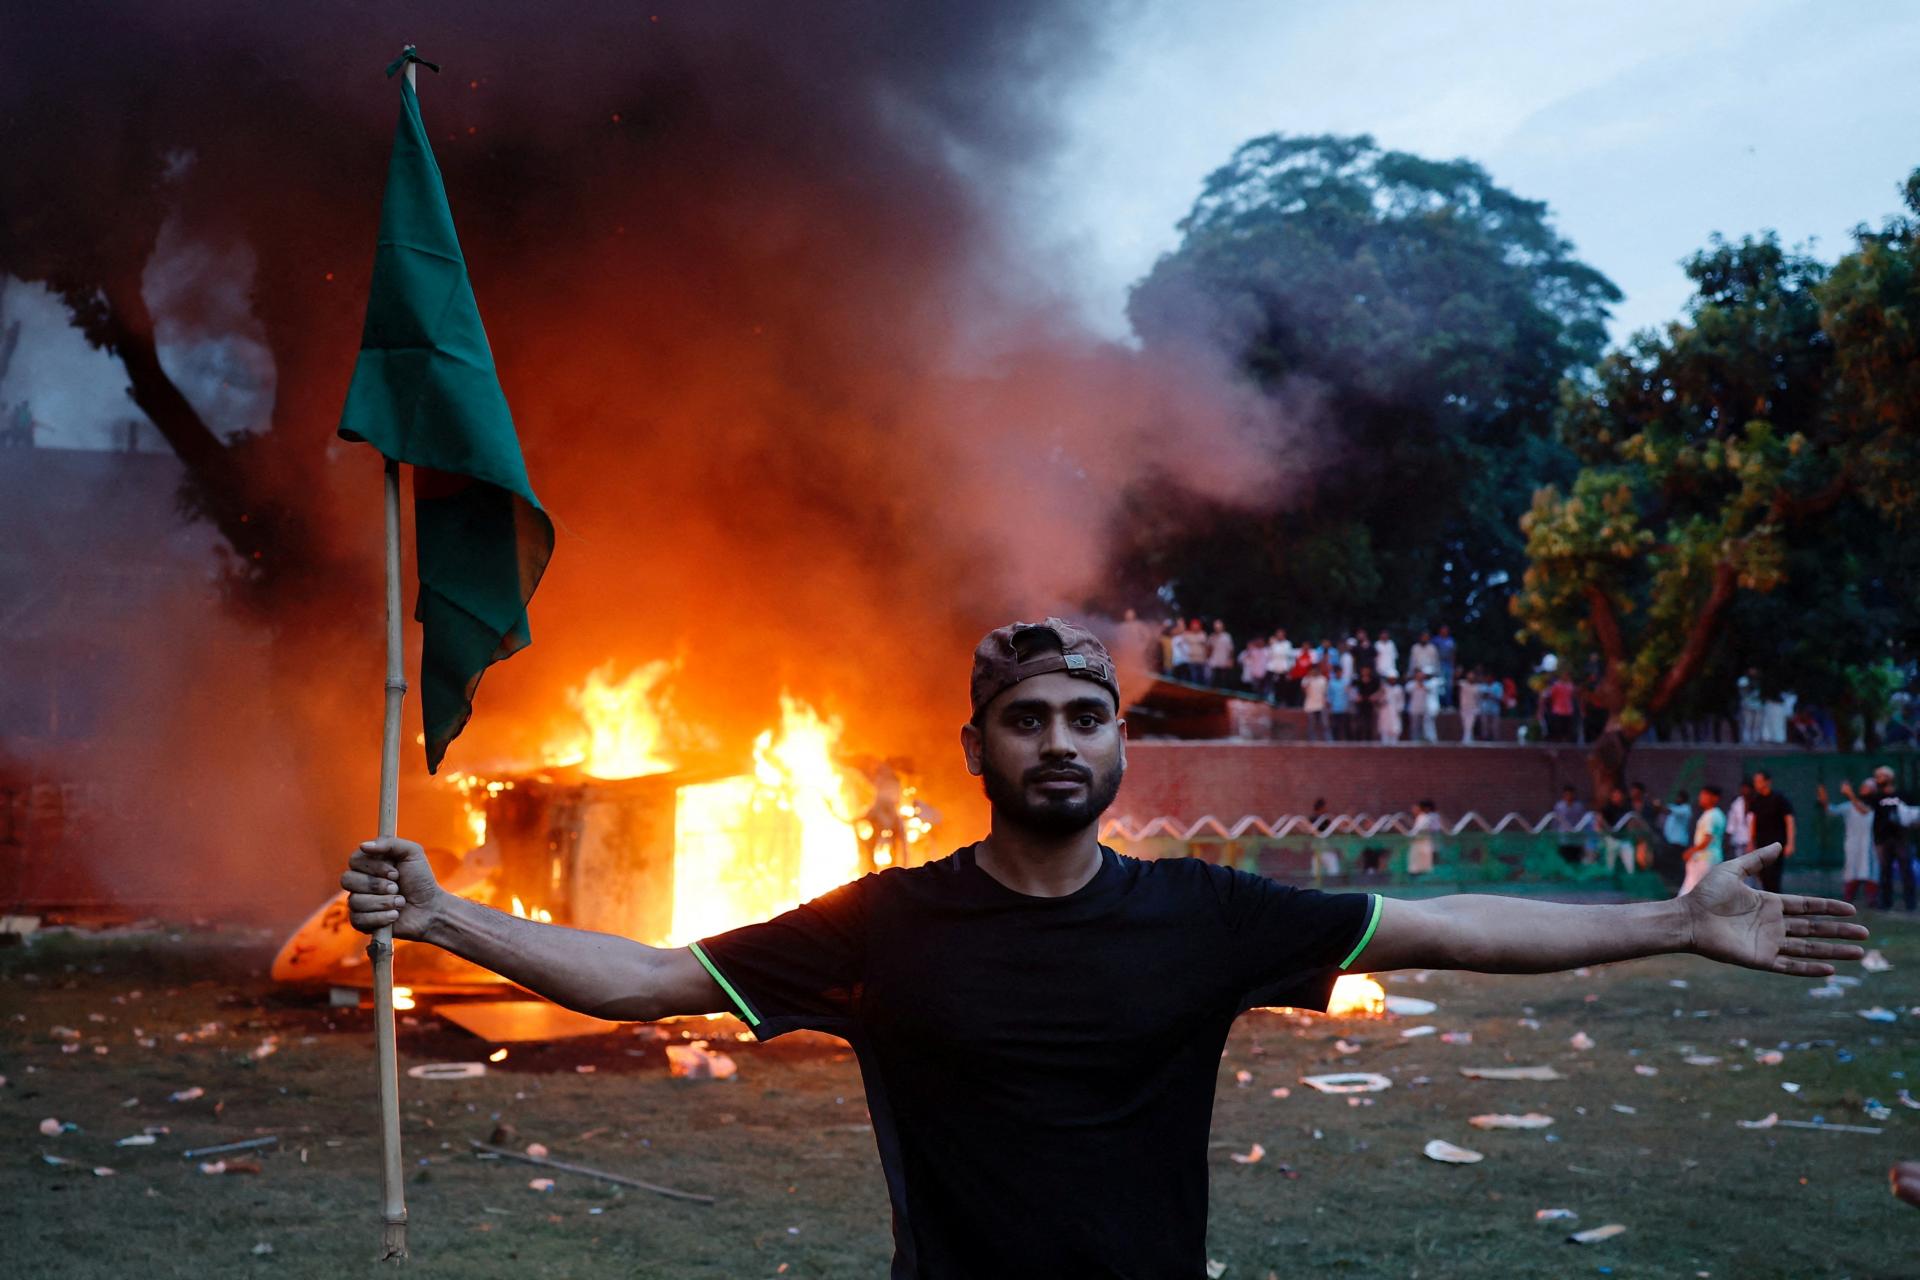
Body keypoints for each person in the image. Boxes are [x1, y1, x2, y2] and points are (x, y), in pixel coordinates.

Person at [342, 617, 1868, 1279]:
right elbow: (653, 980)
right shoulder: (887, 924)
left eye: (1088, 718)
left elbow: (1453, 927)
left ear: (1119, 747)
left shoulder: (1206, 917)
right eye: (1030, 721)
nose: (1061, 742)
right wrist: (442, 914)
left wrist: (1671, 921)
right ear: (978, 750)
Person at [1818, 778, 1879, 907]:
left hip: (1871, 844)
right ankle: (1848, 899)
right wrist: (1823, 795)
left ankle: (1872, 900)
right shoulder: (1849, 806)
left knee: (1871, 871)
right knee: (1852, 870)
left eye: (1868, 787)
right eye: (1863, 786)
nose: (1864, 789)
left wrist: (1849, 793)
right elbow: (1831, 810)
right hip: (1853, 844)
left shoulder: (1875, 804)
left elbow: (1863, 810)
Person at [1870, 765, 1918, 912]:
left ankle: (1910, 903)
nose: (1878, 780)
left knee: (1906, 870)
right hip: (1884, 839)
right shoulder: (1877, 798)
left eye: (1880, 776)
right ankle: (1886, 902)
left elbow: (1914, 814)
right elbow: (1875, 820)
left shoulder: (1903, 795)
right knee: (1885, 872)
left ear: (1890, 778)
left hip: (1901, 838)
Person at [1746, 770, 1796, 894]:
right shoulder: (1756, 800)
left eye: (1759, 781)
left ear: (1767, 782)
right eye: (1755, 781)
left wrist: (1790, 843)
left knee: (1773, 875)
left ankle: (1776, 905)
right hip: (1761, 843)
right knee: (1763, 875)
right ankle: (1768, 904)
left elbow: (1789, 820)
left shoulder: (1779, 799)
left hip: (1776, 844)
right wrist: (1751, 842)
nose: (1757, 784)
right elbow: (1753, 821)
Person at [1681, 784, 1728, 895]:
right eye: (1701, 795)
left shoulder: (1712, 815)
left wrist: (1691, 851)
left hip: (1705, 859)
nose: (1701, 798)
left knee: (1690, 892)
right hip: (1708, 858)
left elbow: (1708, 839)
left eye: (1705, 795)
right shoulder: (1714, 814)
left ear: (1715, 798)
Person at [1551, 785, 1588, 867]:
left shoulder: (1579, 806)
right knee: (1564, 859)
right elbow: (1555, 822)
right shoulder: (1559, 806)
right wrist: (1554, 834)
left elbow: (1583, 820)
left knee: (1576, 859)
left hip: (1576, 838)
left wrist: (1584, 836)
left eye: (1571, 794)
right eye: (1567, 794)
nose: (1569, 797)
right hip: (1564, 838)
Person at [1408, 799, 1442, 876]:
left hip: (1429, 846)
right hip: (1422, 846)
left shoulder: (1432, 816)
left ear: (1427, 808)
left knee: (1428, 867)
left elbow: (1427, 829)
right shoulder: (1422, 817)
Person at [1727, 779, 1754, 867]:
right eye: (1743, 788)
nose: (1745, 790)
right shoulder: (1736, 803)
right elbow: (1732, 822)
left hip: (1753, 840)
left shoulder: (1756, 801)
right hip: (1739, 839)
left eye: (1747, 788)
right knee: (1740, 866)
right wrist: (1729, 836)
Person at [1301, 661, 1331, 742]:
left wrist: (1326, 702)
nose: (1314, 671)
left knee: (1325, 724)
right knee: (1311, 725)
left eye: (1316, 670)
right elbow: (1304, 691)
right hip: (1310, 705)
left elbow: (1325, 693)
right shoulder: (1306, 679)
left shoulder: (1323, 679)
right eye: (1312, 670)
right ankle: (1312, 742)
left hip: (1321, 704)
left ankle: (1328, 741)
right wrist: (1309, 679)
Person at [1206, 620, 1236, 689]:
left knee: (1223, 680)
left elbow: (1231, 650)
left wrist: (1230, 660)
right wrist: (1208, 658)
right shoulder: (1211, 637)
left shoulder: (1227, 637)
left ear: (1222, 627)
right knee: (1212, 680)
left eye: (1219, 627)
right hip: (1214, 662)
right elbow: (1209, 649)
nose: (1217, 628)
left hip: (1224, 662)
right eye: (1216, 627)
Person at [1238, 633, 1270, 698]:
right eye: (1258, 642)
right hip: (1254, 673)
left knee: (1262, 690)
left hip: (1264, 673)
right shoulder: (1253, 651)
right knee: (1254, 689)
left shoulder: (1267, 651)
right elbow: (1244, 659)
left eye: (1261, 642)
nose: (1260, 643)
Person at [1326, 662, 1351, 741]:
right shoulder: (1331, 683)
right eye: (1337, 672)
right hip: (1335, 708)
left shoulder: (1346, 682)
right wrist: (1329, 707)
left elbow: (1349, 695)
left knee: (1346, 726)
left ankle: (1347, 741)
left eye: (1340, 672)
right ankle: (1335, 740)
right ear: (1335, 673)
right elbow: (1329, 696)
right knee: (1335, 726)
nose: (1339, 674)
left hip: (1344, 708)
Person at [1433, 624, 1457, 707]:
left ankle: (1448, 704)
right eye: (1443, 630)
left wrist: (1453, 666)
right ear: (1440, 631)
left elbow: (1453, 654)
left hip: (1449, 665)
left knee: (1449, 685)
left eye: (1446, 630)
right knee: (1440, 685)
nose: (1444, 631)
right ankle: (1440, 704)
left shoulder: (1451, 640)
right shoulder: (1436, 640)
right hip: (1439, 664)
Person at [1457, 669, 1482, 743]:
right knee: (1465, 724)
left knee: (1469, 724)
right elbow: (1455, 683)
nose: (1470, 677)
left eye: (1472, 676)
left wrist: (1478, 708)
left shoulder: (1477, 687)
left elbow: (1478, 699)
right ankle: (1470, 739)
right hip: (1464, 708)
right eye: (1469, 675)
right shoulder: (1462, 684)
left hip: (1473, 708)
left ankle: (1466, 740)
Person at [1377, 676, 1405, 744]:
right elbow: (1379, 699)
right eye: (1390, 679)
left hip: (1395, 710)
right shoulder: (1384, 688)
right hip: (1385, 710)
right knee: (1384, 725)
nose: (1392, 680)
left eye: (1393, 679)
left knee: (1395, 725)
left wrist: (1399, 709)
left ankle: (1394, 741)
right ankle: (1384, 741)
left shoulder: (1398, 688)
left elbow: (1401, 700)